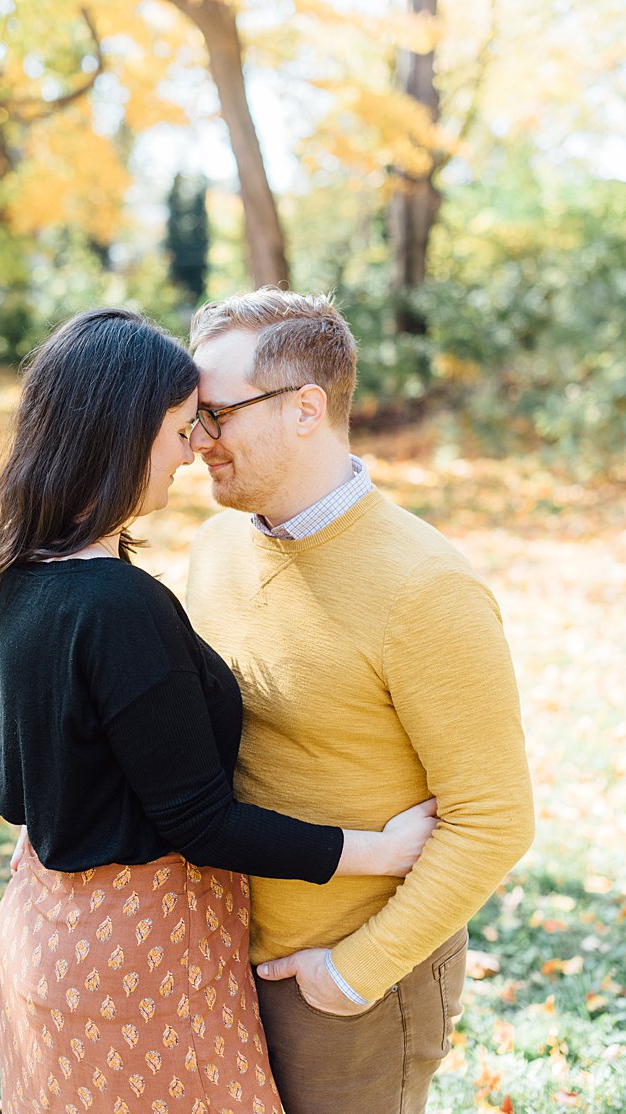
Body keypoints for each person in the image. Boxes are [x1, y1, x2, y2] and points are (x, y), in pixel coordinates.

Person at [0, 307, 440, 1114]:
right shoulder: (118, 605)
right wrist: (385, 850)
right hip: (142, 958)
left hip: (42, 933)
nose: (194, 450)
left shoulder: (9, 577)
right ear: (121, 433)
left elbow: (11, 795)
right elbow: (201, 822)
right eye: (182, 428)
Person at [182, 288, 535, 1114]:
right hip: (216, 958)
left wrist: (352, 974)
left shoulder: (427, 589)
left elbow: (495, 818)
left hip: (346, 989)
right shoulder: (215, 544)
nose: (196, 441)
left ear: (306, 409)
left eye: (216, 414)